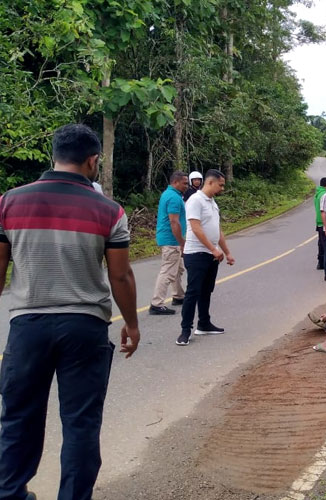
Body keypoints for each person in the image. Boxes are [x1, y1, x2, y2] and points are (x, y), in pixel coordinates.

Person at [0, 123, 140, 500]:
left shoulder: (9, 202)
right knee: (80, 424)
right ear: (92, 161)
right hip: (85, 327)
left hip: (27, 326)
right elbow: (121, 275)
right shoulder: (109, 210)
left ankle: (10, 494)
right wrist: (131, 323)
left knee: (17, 420)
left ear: (55, 155)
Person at [177, 169, 235, 346]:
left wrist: (226, 251)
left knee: (206, 291)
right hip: (196, 253)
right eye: (221, 184)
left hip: (212, 254)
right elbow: (195, 228)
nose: (222, 188)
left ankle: (204, 323)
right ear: (210, 182)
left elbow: (217, 229)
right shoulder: (195, 200)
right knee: (193, 292)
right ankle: (185, 330)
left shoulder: (212, 202)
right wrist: (212, 248)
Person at [149, 171, 189, 315]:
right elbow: (174, 221)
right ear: (175, 182)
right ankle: (156, 303)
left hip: (169, 238)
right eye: (184, 183)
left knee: (177, 269)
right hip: (171, 239)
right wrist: (182, 242)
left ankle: (178, 296)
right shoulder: (173, 197)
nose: (187, 185)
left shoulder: (169, 194)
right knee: (168, 271)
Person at [314, 177, 326, 270]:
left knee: (321, 243)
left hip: (318, 221)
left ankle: (320, 263)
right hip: (324, 221)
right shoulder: (325, 195)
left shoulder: (317, 194)